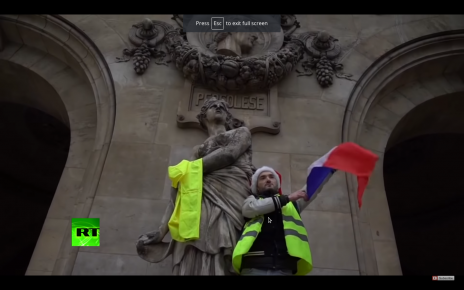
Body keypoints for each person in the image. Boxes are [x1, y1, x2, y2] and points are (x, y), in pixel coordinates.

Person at [136, 97, 255, 275]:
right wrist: (162, 230)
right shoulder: (197, 150)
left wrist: (189, 169)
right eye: (212, 106)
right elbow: (179, 191)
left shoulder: (241, 133)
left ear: (228, 117)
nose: (217, 107)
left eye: (222, 106)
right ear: (203, 116)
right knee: (193, 248)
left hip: (231, 203)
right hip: (199, 207)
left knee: (225, 243)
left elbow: (229, 155)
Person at [232, 166, 320, 276]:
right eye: (263, 178)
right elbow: (252, 209)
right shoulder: (252, 201)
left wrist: (328, 168)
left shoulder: (292, 205)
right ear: (256, 187)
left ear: (277, 183)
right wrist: (287, 198)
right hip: (254, 267)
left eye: (271, 176)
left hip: (284, 268)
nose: (268, 179)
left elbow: (313, 187)